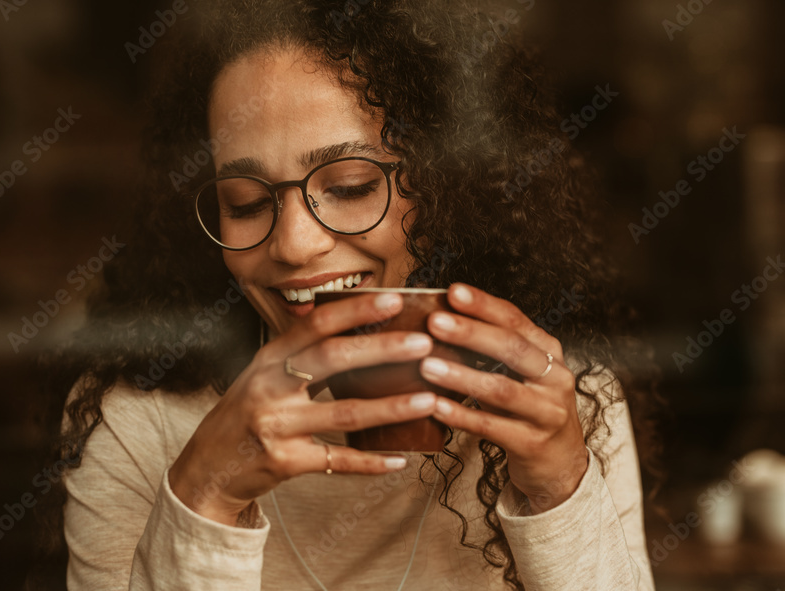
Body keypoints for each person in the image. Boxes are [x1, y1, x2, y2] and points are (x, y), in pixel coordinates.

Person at [46, 0, 662, 589]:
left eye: (350, 186)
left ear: (453, 192)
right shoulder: (140, 421)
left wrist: (561, 490)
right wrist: (205, 495)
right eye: (247, 201)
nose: (293, 244)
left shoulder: (559, 398)